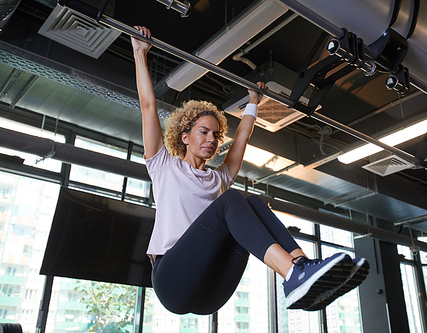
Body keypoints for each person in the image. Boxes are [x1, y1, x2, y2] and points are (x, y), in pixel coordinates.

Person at [132, 26, 369, 315]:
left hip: (210, 293)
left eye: (215, 135)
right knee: (233, 199)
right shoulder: (164, 166)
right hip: (172, 282)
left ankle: (302, 268)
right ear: (184, 136)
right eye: (203, 132)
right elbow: (148, 106)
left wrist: (253, 104)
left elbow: (241, 138)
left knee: (253, 202)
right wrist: (139, 52)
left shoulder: (218, 179)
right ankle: (294, 275)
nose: (210, 139)